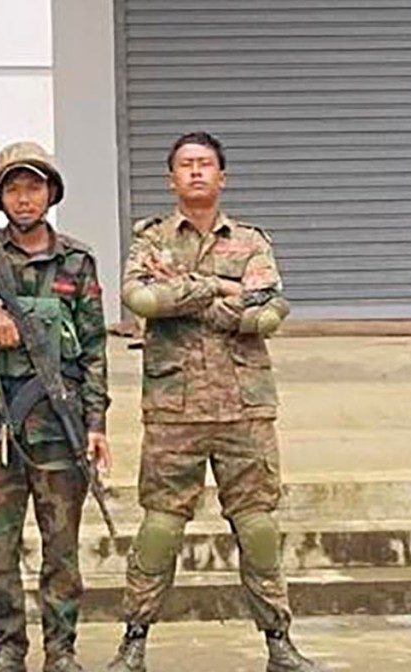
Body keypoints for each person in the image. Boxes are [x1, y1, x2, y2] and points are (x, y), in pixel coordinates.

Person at [108, 131, 320, 672]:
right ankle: (133, 640)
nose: (196, 172)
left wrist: (186, 290)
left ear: (222, 177)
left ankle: (279, 641)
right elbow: (140, 300)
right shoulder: (150, 240)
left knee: (258, 527)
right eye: (186, 165)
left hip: (243, 409)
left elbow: (269, 314)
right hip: (175, 409)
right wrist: (222, 290)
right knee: (159, 528)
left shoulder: (250, 240)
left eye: (206, 164)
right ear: (171, 178)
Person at [0, 142, 111, 672]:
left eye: (34, 187)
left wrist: (96, 424)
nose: (25, 198)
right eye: (14, 188)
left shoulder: (76, 260)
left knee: (61, 548)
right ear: (0, 196)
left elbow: (94, 349)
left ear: (50, 193)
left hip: (59, 427)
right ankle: (7, 648)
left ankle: (61, 649)